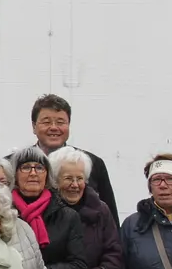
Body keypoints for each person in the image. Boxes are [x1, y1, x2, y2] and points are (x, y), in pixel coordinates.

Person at [29, 94, 119, 229]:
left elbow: (111, 219)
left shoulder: (92, 163)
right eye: (46, 122)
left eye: (60, 122)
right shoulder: (16, 164)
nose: (54, 127)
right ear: (34, 127)